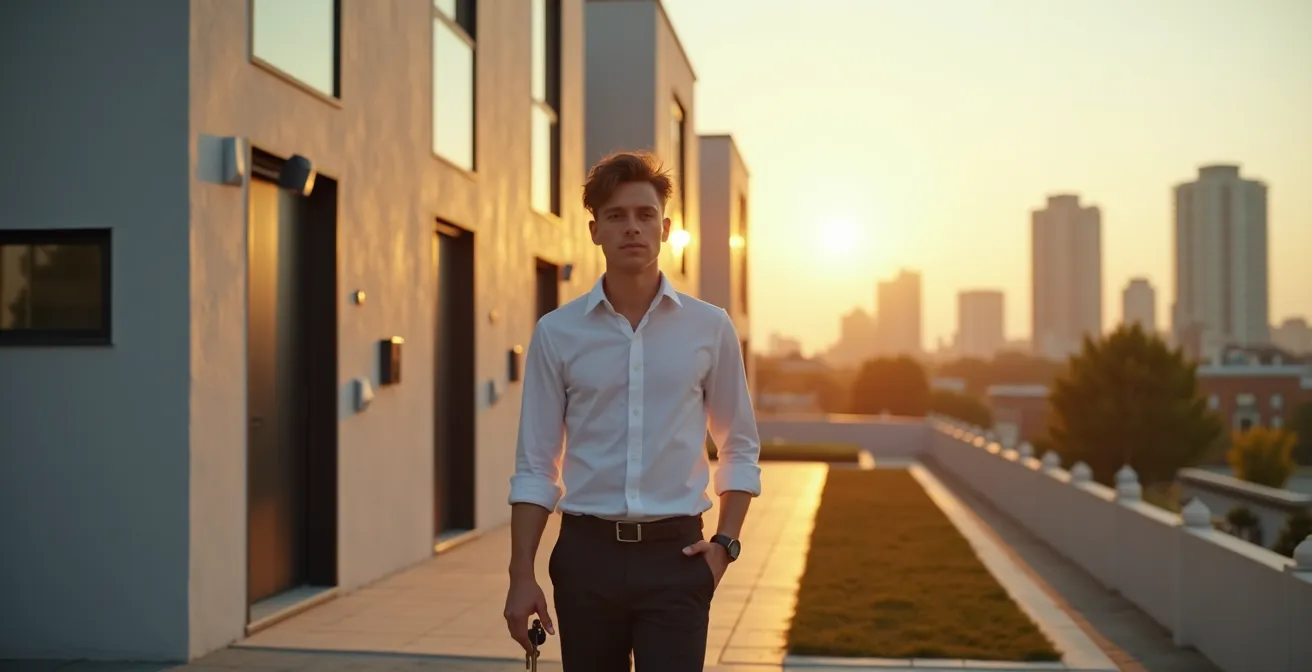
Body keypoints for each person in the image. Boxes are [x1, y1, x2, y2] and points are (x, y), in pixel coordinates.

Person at [503, 151, 762, 670]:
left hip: (678, 558)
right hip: (585, 557)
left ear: (666, 229)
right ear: (595, 230)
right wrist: (521, 575)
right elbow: (536, 465)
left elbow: (739, 445)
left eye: (645, 215)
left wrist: (724, 547)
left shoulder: (709, 328)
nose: (632, 227)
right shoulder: (558, 332)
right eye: (617, 216)